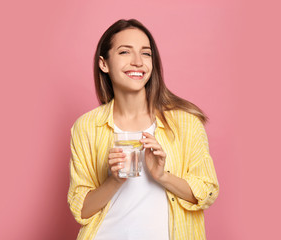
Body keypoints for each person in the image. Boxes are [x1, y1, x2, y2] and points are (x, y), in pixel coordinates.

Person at [67, 19, 219, 240]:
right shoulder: (87, 127)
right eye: (125, 52)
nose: (138, 62)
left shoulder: (185, 123)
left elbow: (207, 192)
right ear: (104, 64)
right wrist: (114, 180)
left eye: (146, 54)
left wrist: (162, 175)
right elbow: (80, 210)